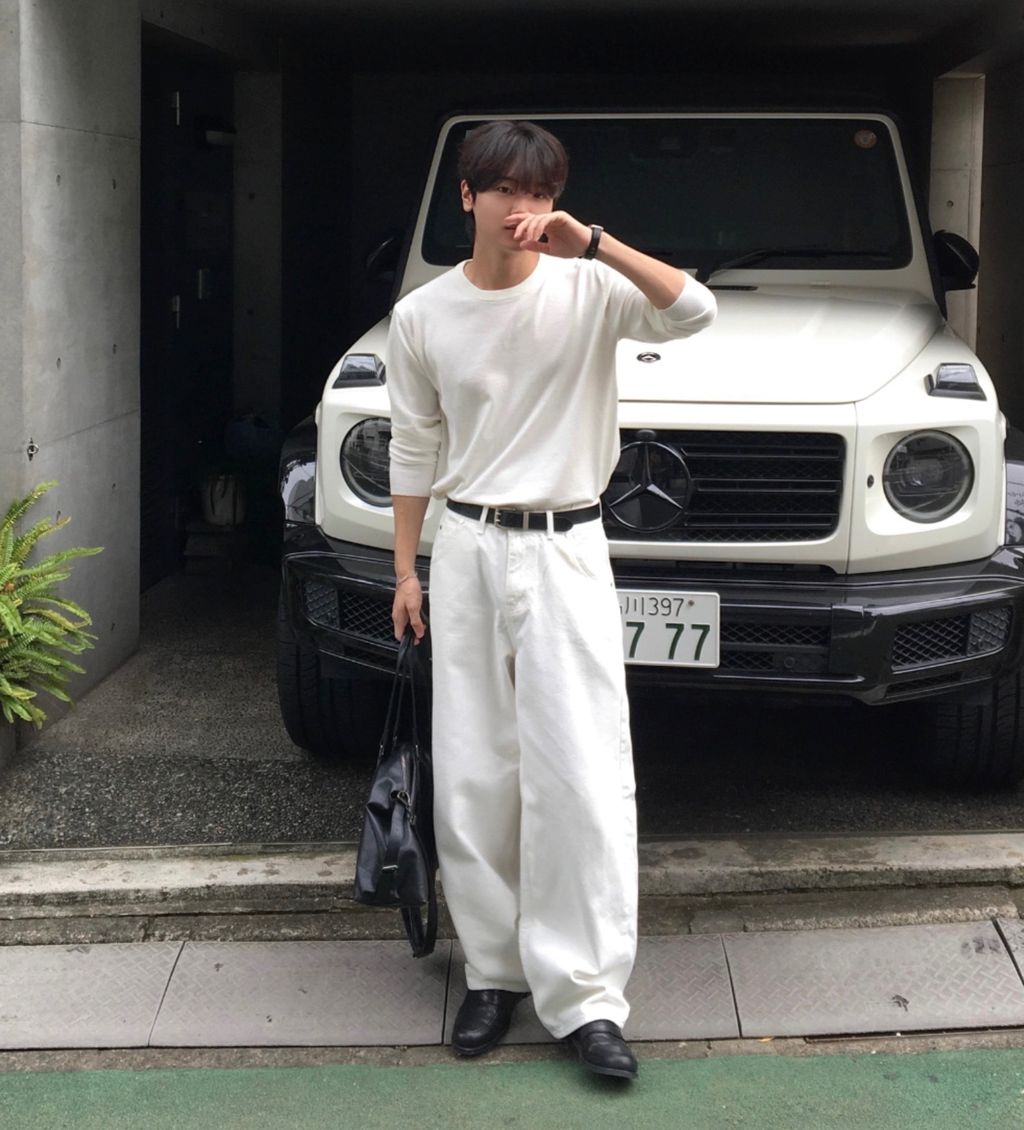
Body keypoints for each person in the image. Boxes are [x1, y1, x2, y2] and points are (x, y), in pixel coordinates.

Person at [388, 119, 716, 1081]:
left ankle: (586, 999)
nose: (521, 209)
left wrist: (595, 242)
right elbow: (414, 447)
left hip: (569, 545)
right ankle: (492, 972)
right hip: (467, 548)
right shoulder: (424, 315)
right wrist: (405, 570)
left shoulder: (590, 288)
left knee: (581, 773)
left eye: (538, 192)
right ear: (466, 197)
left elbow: (694, 311)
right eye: (502, 189)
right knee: (474, 772)